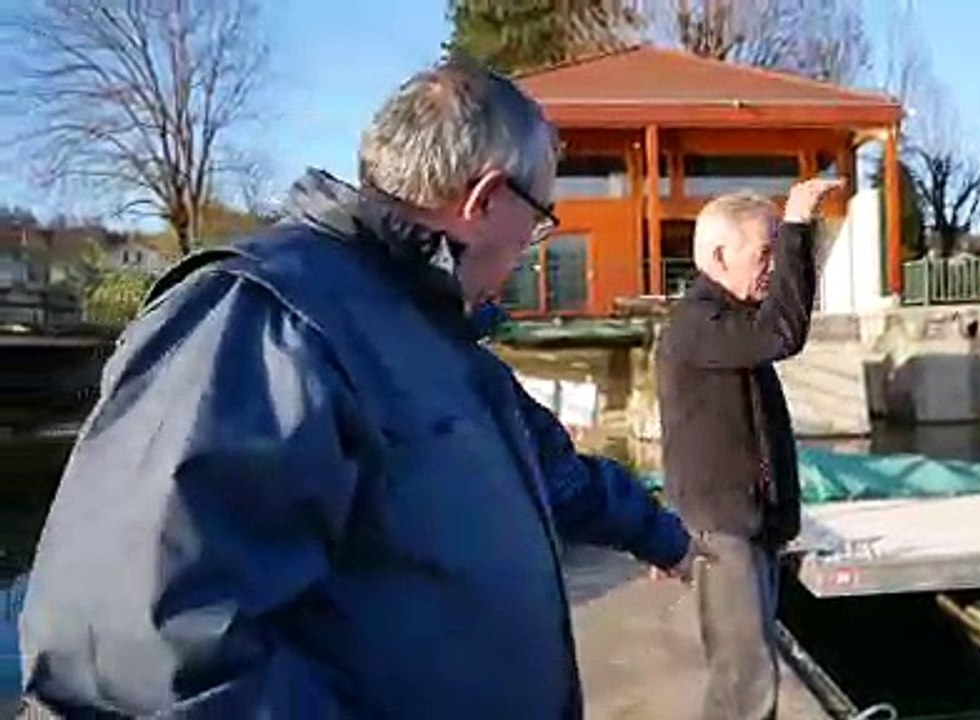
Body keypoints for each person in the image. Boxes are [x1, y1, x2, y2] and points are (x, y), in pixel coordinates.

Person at [18, 55, 703, 718]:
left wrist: (663, 536)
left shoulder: (441, 340)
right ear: (487, 198)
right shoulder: (266, 320)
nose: (534, 241)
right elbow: (140, 661)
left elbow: (553, 476)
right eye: (540, 218)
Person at [656, 179, 844, 720]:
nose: (772, 266)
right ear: (719, 256)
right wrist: (799, 226)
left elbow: (778, 332)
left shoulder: (729, 323)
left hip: (749, 524)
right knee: (745, 677)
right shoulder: (698, 323)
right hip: (723, 528)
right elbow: (784, 333)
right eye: (765, 252)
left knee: (747, 672)